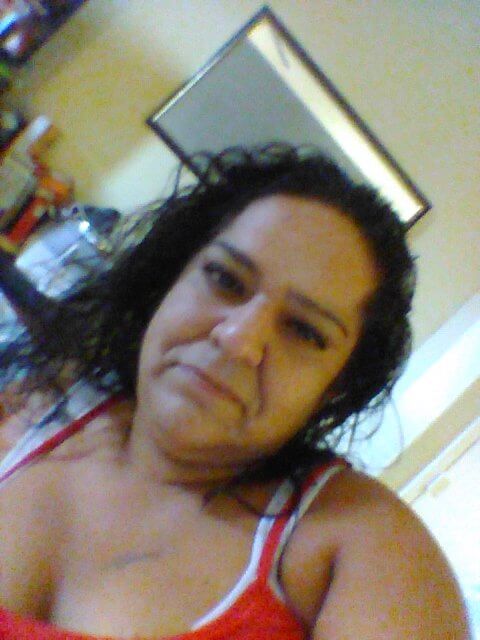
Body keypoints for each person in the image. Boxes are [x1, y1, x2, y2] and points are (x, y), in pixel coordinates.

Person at [0, 144, 469, 639]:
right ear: (173, 276)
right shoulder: (34, 404)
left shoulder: (358, 542)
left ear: (336, 387)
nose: (238, 338)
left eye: (305, 331)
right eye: (225, 279)